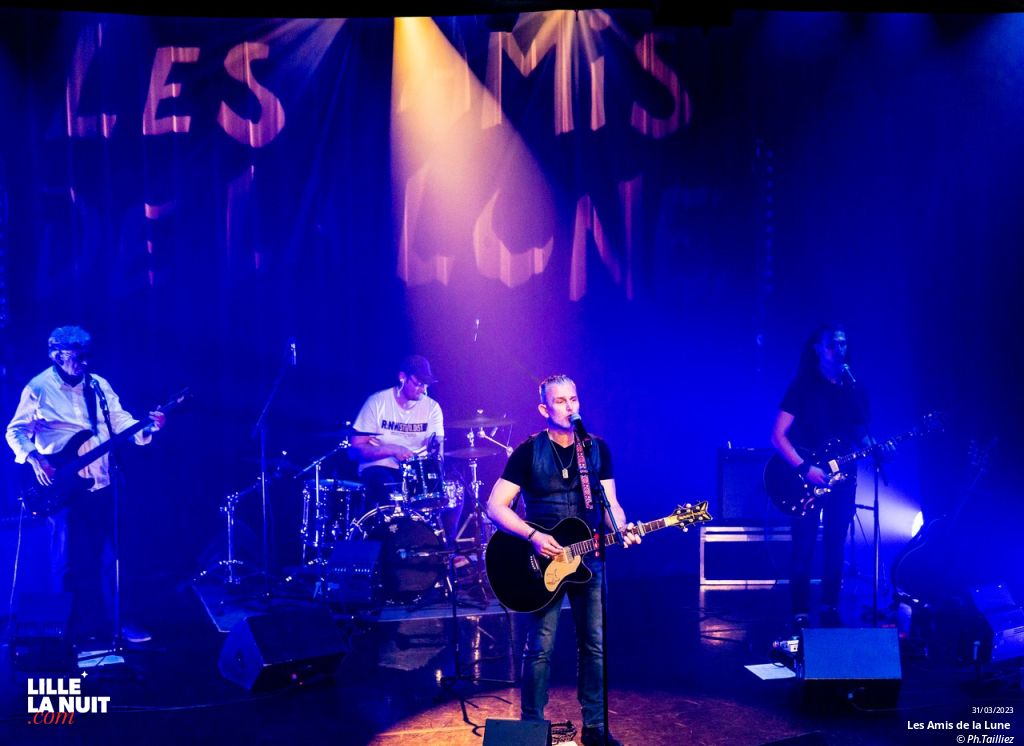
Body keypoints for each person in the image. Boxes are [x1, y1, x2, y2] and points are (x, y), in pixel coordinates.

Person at [486, 375, 637, 746]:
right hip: (541, 562)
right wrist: (533, 537)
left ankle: (596, 728)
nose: (570, 407)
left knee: (595, 645)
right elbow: (494, 506)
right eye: (560, 401)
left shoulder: (596, 450)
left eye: (574, 399)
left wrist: (621, 527)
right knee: (540, 648)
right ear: (544, 409)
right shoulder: (528, 451)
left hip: (589, 558)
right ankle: (530, 730)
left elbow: (610, 505)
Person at [6, 325, 166, 644]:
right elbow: (15, 430)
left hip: (101, 483)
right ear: (57, 356)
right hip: (60, 488)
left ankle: (121, 623)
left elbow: (119, 421)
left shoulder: (98, 384)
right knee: (64, 563)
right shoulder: (38, 388)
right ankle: (65, 632)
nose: (83, 362)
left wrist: (147, 427)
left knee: (112, 558)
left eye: (86, 355)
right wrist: (35, 458)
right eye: (76, 357)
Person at [769, 323, 876, 629]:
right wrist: (805, 468)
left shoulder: (855, 387)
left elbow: (860, 433)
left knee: (836, 543)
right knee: (803, 545)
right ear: (818, 349)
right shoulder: (802, 386)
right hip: (806, 477)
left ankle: (829, 607)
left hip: (843, 479)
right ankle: (800, 612)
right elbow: (777, 436)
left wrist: (878, 448)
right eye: (832, 344)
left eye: (843, 344)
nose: (839, 349)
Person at [349, 355, 444, 505]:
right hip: (379, 467)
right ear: (402, 377)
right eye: (418, 383)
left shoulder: (432, 408)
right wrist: (391, 449)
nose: (423, 390)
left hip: (415, 473)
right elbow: (354, 451)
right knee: (383, 484)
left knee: (448, 492)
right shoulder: (377, 402)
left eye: (426, 385)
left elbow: (437, 454)